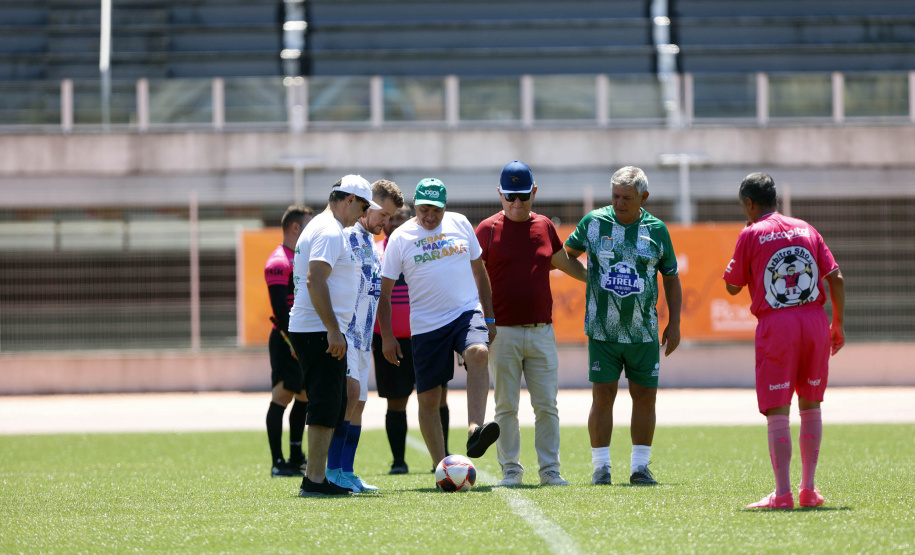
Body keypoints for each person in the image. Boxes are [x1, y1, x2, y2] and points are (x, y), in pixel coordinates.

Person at [723, 172, 845, 510]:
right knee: (811, 402)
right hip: (815, 320)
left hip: (778, 324)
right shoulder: (806, 228)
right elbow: (836, 277)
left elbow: (732, 286)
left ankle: (783, 494)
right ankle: (809, 490)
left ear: (749, 203)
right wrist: (838, 324)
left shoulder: (751, 233)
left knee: (778, 408)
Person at [564, 166, 682, 486]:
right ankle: (601, 468)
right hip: (602, 330)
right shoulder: (594, 223)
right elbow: (565, 255)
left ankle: (639, 468)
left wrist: (675, 323)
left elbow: (671, 277)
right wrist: (589, 277)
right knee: (603, 396)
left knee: (645, 397)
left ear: (644, 197)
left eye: (627, 198)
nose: (619, 203)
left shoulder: (656, 230)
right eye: (615, 196)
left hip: (644, 331)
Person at [476, 160, 587, 487]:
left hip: (541, 331)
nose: (516, 203)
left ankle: (550, 471)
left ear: (534, 192)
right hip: (502, 333)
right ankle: (511, 471)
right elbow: (471, 279)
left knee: (547, 406)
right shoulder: (487, 230)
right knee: (506, 407)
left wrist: (597, 280)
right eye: (510, 196)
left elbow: (564, 263)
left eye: (523, 196)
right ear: (499, 193)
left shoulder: (544, 227)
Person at [377, 178, 501, 470]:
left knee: (479, 354)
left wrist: (490, 317)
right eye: (423, 209)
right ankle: (440, 466)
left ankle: (475, 430)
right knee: (430, 398)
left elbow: (480, 273)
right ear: (415, 206)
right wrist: (387, 336)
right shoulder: (400, 238)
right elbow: (383, 293)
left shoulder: (460, 224)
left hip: (464, 312)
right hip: (426, 325)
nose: (429, 215)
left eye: (436, 209)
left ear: (446, 207)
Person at [288, 174, 381, 497]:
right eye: (364, 205)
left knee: (335, 400)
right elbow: (315, 279)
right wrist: (332, 329)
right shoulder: (329, 230)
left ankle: (318, 476)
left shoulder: (323, 226)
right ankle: (314, 480)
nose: (364, 213)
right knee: (327, 403)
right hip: (318, 329)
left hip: (316, 328)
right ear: (350, 200)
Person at [324, 179, 404, 493]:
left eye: (391, 217)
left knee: (358, 402)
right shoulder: (342, 235)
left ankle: (346, 471)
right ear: (366, 205)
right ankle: (330, 471)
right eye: (383, 214)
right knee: (348, 397)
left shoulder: (370, 242)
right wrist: (332, 329)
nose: (387, 221)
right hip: (342, 336)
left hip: (361, 339)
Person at [372, 205, 454, 475]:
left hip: (430, 334)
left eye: (400, 218)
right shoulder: (375, 252)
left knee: (437, 398)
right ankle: (398, 461)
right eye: (389, 218)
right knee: (396, 401)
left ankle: (439, 460)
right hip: (390, 338)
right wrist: (386, 335)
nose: (394, 223)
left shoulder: (430, 247)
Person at [264, 205, 313, 477]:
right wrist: (292, 341)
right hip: (287, 339)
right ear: (296, 227)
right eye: (309, 223)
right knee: (282, 396)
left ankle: (296, 457)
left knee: (304, 396)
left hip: (301, 337)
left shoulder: (300, 257)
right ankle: (277, 462)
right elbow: (280, 309)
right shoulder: (278, 262)